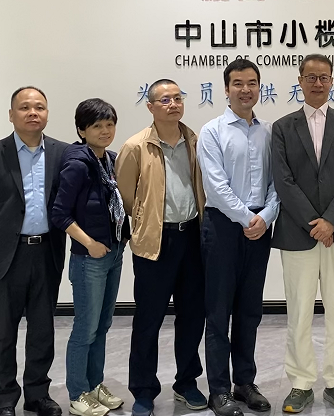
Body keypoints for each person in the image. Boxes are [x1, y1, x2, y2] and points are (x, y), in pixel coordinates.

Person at [271, 54, 334, 413]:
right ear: (300, 81)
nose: (317, 83)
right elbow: (283, 181)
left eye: (323, 77)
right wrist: (315, 222)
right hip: (299, 233)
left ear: (332, 81)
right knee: (299, 311)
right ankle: (300, 382)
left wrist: (332, 221)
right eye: (310, 77)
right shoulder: (283, 127)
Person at [0, 87, 69, 416]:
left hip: (47, 252)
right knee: (1, 332)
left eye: (39, 107)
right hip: (6, 255)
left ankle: (37, 394)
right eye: (24, 107)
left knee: (42, 329)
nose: (32, 112)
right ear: (11, 115)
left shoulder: (62, 153)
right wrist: (7, 226)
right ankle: (3, 399)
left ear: (47, 114)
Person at [115, 79, 207, 416]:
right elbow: (126, 197)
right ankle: (143, 390)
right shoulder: (135, 146)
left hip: (192, 239)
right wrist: (146, 221)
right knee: (148, 319)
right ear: (150, 106)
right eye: (165, 100)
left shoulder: (195, 141)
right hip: (155, 242)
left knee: (192, 316)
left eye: (177, 98)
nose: (173, 104)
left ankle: (186, 383)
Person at [197, 60, 279, 416]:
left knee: (250, 311)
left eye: (252, 83)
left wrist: (266, 216)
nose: (245, 89)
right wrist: (249, 218)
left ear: (259, 87)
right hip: (223, 228)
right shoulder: (212, 131)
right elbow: (215, 187)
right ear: (226, 89)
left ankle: (244, 382)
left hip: (260, 227)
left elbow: (278, 183)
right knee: (218, 313)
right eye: (238, 83)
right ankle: (219, 390)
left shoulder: (269, 132)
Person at [51, 99, 130, 416]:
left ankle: (95, 385)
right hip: (89, 259)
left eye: (110, 124)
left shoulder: (110, 161)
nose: (105, 131)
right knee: (85, 328)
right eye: (97, 126)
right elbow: (60, 214)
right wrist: (89, 243)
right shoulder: (78, 165)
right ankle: (77, 393)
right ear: (82, 130)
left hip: (114, 254)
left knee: (103, 324)